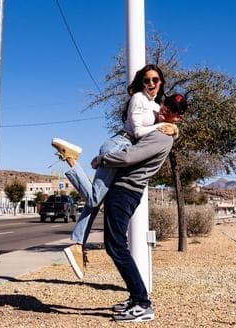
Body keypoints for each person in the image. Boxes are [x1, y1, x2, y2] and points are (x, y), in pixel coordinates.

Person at [51, 64, 177, 279]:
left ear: (161, 82)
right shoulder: (138, 98)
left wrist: (175, 129)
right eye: (147, 80)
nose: (151, 84)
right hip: (118, 146)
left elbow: (166, 126)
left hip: (125, 148)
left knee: (97, 200)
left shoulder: (155, 105)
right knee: (93, 198)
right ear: (141, 83)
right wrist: (160, 127)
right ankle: (71, 159)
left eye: (155, 80)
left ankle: (78, 244)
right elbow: (138, 131)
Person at [95, 93, 187, 323]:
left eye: (172, 109)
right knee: (115, 245)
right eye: (167, 105)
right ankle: (136, 298)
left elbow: (129, 157)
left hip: (125, 191)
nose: (166, 110)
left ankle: (142, 303)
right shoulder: (161, 128)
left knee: (115, 246)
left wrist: (102, 160)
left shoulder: (162, 137)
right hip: (126, 190)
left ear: (179, 116)